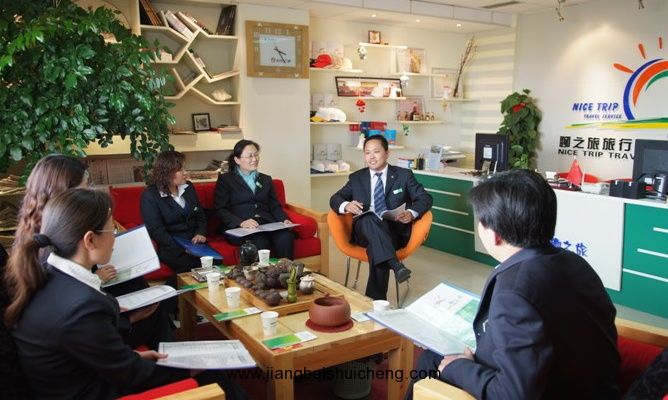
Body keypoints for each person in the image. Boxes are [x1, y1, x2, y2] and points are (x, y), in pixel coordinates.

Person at [408, 169, 620, 399]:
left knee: (433, 361)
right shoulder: (574, 262)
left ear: (495, 234)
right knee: (433, 357)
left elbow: (513, 394)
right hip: (593, 384)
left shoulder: (514, 292)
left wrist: (461, 368)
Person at [4, 188, 191, 399]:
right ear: (90, 240)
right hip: (90, 391)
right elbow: (132, 375)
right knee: (213, 377)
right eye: (112, 230)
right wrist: (192, 366)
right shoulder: (82, 307)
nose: (115, 238)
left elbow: (103, 355)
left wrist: (132, 358)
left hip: (75, 379)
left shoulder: (46, 275)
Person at [12, 154, 172, 350]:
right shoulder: (46, 243)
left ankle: (169, 352)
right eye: (85, 187)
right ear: (65, 194)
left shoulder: (45, 227)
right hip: (82, 329)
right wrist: (100, 283)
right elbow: (64, 299)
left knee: (140, 287)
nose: (89, 192)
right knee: (153, 311)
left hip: (86, 308)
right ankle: (170, 357)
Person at [330, 135, 432, 300]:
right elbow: (335, 198)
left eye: (376, 152)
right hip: (364, 231)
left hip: (393, 232)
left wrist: (411, 213)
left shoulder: (403, 175)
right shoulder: (357, 177)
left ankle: (374, 302)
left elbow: (425, 198)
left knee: (376, 249)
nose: (371, 157)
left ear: (387, 153)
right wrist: (346, 205)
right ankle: (396, 266)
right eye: (367, 153)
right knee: (368, 218)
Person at [214, 139, 294, 259]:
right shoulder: (226, 180)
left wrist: (284, 219)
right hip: (239, 226)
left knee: (285, 236)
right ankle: (264, 271)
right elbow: (220, 209)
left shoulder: (266, 179)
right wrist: (242, 222)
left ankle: (287, 269)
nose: (255, 159)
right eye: (250, 156)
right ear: (237, 160)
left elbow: (274, 205)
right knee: (259, 241)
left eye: (256, 155)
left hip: (266, 223)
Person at [141, 150, 207, 278]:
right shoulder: (150, 196)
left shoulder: (188, 187)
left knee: (215, 262)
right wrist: (183, 248)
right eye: (181, 170)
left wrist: (200, 233)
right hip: (172, 248)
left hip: (195, 244)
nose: (185, 173)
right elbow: (156, 231)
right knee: (193, 267)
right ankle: (173, 290)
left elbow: (200, 215)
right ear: (167, 172)